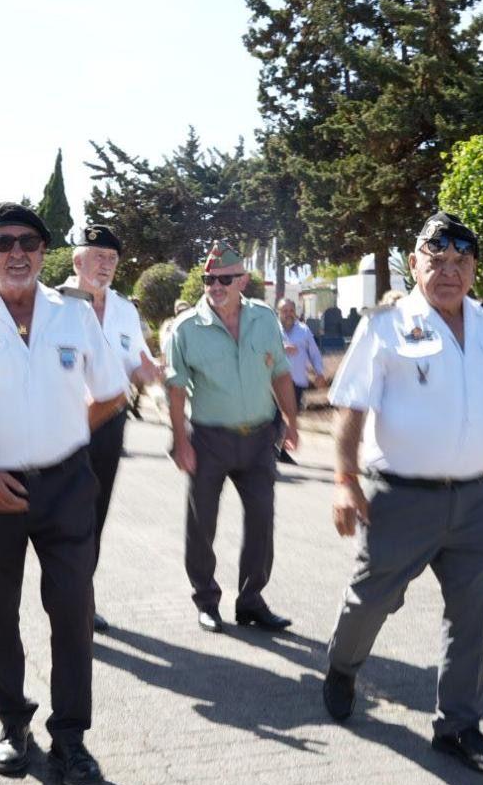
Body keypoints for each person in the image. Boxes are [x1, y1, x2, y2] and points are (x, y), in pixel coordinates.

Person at [323, 212, 483, 779]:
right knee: (370, 601)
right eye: (435, 260)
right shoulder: (387, 324)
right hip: (399, 500)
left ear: (474, 269)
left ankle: (458, 726)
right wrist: (344, 482)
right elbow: (352, 408)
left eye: (460, 261)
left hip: (474, 501)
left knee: (470, 618)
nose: (448, 271)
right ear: (413, 264)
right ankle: (343, 665)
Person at [0, 203, 125, 785]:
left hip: (66, 484)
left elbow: (112, 392)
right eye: (4, 241)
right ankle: (12, 722)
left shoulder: (74, 315)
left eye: (30, 242)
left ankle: (70, 737)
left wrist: (65, 436)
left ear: (44, 254)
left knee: (71, 610)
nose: (17, 252)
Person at [165, 243, 297, 635]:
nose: (216, 285)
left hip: (259, 438)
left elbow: (281, 373)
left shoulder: (264, 318)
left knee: (262, 522)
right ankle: (206, 601)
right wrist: (180, 440)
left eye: (225, 278)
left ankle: (251, 601)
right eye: (209, 279)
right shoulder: (186, 328)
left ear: (242, 280)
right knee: (201, 523)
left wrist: (292, 421)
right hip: (208, 440)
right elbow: (174, 388)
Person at [62, 224, 162, 632]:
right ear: (77, 260)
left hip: (109, 426)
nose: (105, 265)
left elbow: (137, 360)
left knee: (95, 514)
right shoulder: (53, 304)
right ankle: (67, 600)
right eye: (97, 256)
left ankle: (81, 598)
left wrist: (152, 371)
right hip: (65, 425)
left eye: (112, 259)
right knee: (66, 516)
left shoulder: (124, 309)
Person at [276, 297, 325, 465]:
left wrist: (319, 372)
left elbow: (314, 353)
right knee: (274, 417)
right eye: (284, 311)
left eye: (291, 311)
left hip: (297, 382)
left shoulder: (303, 330)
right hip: (273, 383)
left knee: (291, 416)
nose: (288, 314)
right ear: (279, 312)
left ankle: (280, 450)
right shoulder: (271, 330)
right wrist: (282, 348)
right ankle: (273, 451)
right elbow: (261, 349)